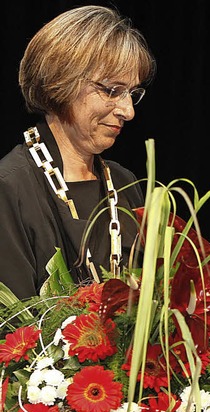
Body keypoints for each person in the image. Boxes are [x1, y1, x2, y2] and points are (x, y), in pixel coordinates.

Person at [0, 5, 155, 300]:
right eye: (112, 90)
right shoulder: (10, 187)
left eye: (132, 94)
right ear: (61, 82)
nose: (128, 111)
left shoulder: (126, 184)